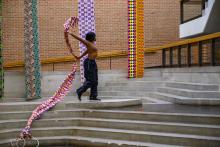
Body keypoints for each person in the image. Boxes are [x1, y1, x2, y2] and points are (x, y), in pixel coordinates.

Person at [68, 31, 100, 101]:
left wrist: (80, 56)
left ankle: (93, 96)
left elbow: (88, 51)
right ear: (92, 37)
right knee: (91, 80)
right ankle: (79, 91)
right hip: (89, 63)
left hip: (92, 63)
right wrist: (71, 33)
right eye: (94, 36)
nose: (95, 37)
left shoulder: (91, 44)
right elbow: (80, 39)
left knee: (95, 81)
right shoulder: (88, 43)